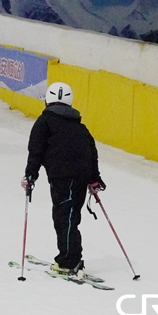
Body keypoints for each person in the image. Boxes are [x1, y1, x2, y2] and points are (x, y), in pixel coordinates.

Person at [21, 82, 106, 276]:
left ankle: (69, 261)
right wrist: (94, 179)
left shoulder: (44, 122)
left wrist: (30, 175)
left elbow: (36, 150)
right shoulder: (80, 127)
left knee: (64, 218)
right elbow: (91, 152)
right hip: (80, 178)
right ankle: (72, 257)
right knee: (71, 217)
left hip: (63, 177)